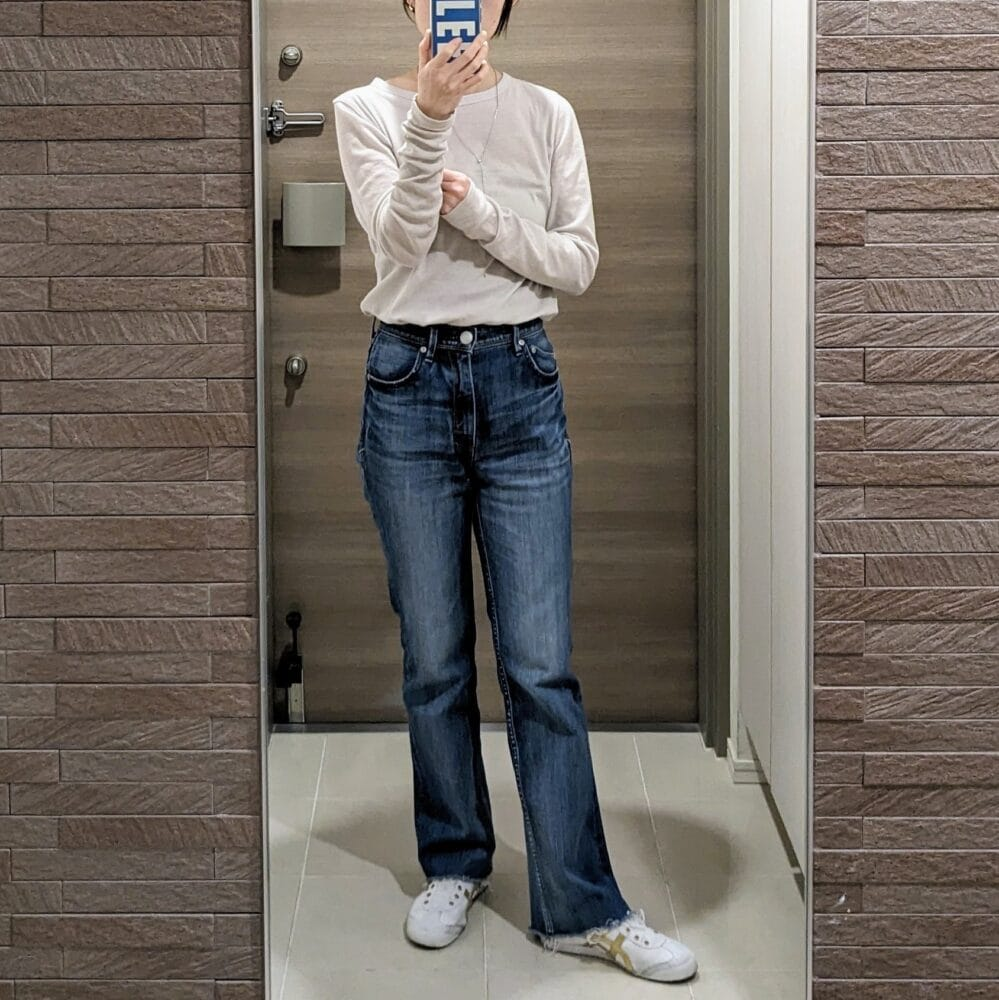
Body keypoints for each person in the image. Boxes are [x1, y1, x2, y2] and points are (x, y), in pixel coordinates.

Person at [331, 0, 697, 984]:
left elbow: (575, 263)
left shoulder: (547, 112)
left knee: (539, 664)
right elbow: (400, 244)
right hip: (406, 385)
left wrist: (483, 214)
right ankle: (454, 862)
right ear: (409, 4)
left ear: (500, 5)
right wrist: (429, 118)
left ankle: (583, 906)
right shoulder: (365, 110)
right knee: (433, 658)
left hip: (519, 381)